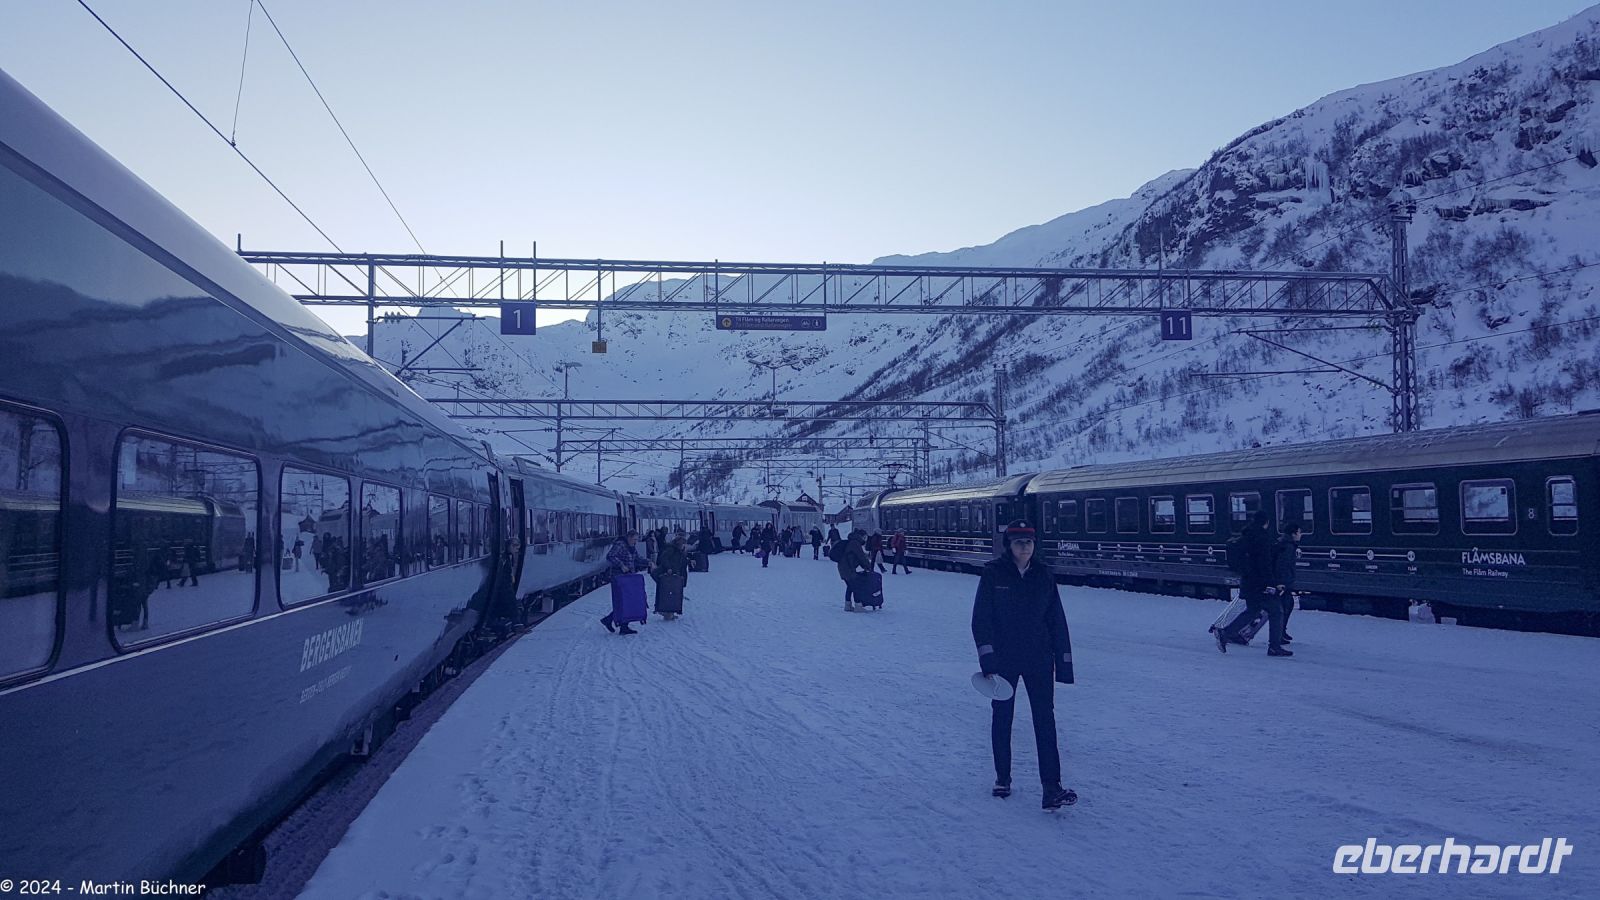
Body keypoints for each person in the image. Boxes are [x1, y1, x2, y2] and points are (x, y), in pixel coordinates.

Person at [971, 520, 1076, 810]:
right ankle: (1002, 777)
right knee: (1002, 718)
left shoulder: (1044, 575)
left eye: (1029, 542)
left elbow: (1056, 620)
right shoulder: (993, 574)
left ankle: (1051, 787)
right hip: (1003, 660)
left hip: (1039, 659)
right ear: (1009, 546)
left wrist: (1063, 663)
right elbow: (981, 619)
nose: (1025, 547)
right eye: (1019, 542)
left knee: (1045, 720)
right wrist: (987, 658)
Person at [1215, 511, 1290, 657]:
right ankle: (1274, 647)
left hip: (1248, 581)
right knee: (1276, 611)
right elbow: (1264, 564)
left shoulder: (1247, 536)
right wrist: (1274, 583)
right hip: (1260, 584)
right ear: (1266, 522)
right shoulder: (1262, 538)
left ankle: (1225, 633)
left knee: (1253, 610)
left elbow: (1253, 557)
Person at [602, 530, 648, 635]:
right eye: (634, 539)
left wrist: (648, 562)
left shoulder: (631, 547)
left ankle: (616, 623)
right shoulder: (620, 545)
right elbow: (610, 556)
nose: (636, 542)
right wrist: (621, 565)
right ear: (629, 537)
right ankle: (617, 624)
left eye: (637, 539)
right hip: (619, 578)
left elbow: (637, 558)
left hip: (627, 577)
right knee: (623, 601)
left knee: (626, 601)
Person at [1274, 522, 1302, 643]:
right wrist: (1283, 583)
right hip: (1283, 582)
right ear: (1293, 533)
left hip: (1284, 581)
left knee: (1287, 605)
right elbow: (1283, 566)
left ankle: (1281, 632)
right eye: (1299, 532)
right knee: (1286, 606)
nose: (1301, 535)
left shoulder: (1285, 543)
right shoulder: (1288, 547)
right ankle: (1279, 634)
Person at [653, 531, 690, 619]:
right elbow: (663, 558)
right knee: (668, 592)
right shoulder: (671, 549)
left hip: (676, 573)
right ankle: (667, 611)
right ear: (678, 541)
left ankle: (670, 611)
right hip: (668, 573)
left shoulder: (680, 549)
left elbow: (682, 560)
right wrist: (668, 567)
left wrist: (689, 561)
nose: (683, 543)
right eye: (682, 541)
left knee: (673, 592)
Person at [835, 530, 873, 611]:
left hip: (843, 567)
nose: (865, 539)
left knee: (850, 586)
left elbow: (857, 557)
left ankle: (847, 606)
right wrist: (868, 566)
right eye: (865, 537)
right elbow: (861, 557)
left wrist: (865, 566)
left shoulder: (852, 542)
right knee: (856, 586)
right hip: (848, 568)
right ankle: (858, 606)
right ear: (861, 536)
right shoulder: (855, 543)